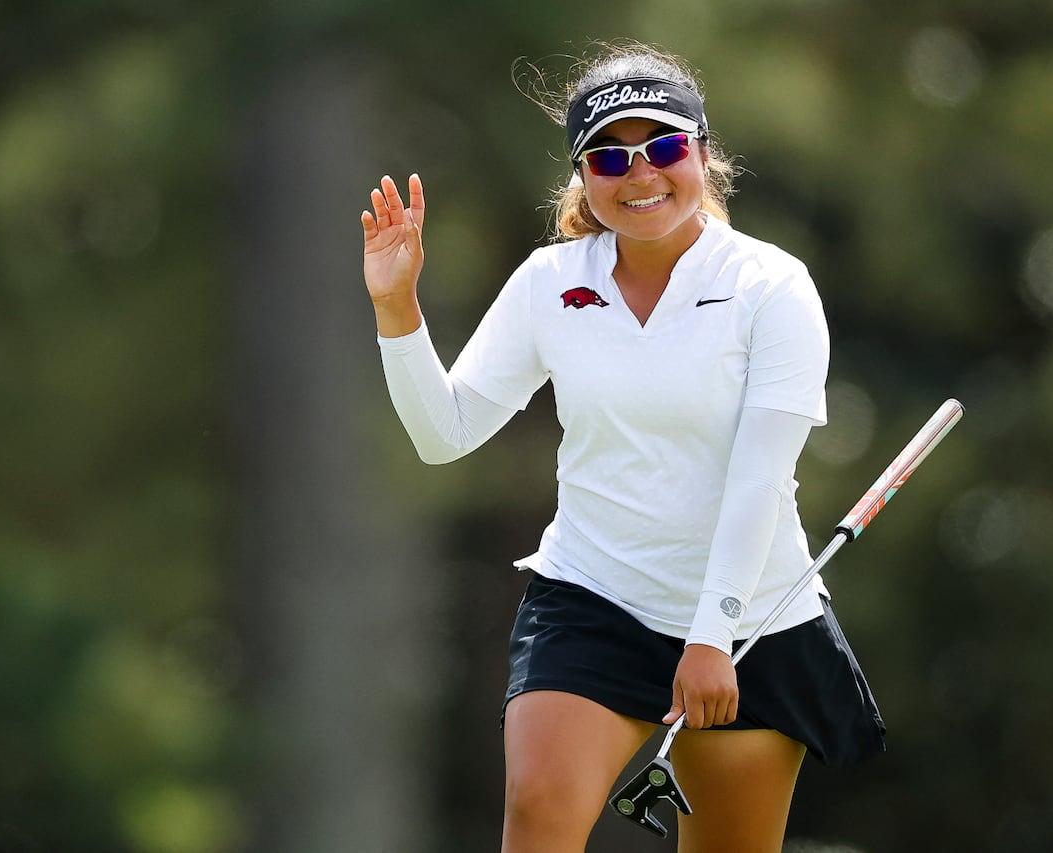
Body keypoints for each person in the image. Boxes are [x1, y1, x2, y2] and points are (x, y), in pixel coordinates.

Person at [360, 41, 885, 853]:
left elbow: (757, 479)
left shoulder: (770, 286)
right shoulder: (549, 282)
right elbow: (444, 433)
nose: (639, 174)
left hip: (748, 620)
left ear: (702, 153)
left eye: (663, 147)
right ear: (583, 176)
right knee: (538, 811)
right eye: (609, 157)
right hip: (593, 597)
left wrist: (711, 635)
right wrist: (397, 307)